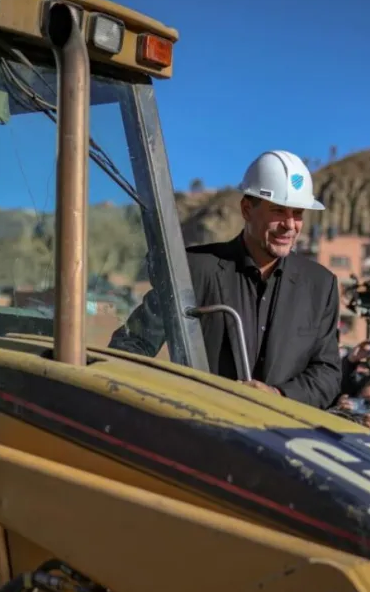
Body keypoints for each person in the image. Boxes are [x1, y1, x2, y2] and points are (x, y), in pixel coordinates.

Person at [110, 150, 341, 409]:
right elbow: (133, 344)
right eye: (278, 211)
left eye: (297, 213)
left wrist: (277, 395)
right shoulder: (193, 269)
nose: (290, 225)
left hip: (281, 437)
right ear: (246, 209)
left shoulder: (321, 286)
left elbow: (327, 373)